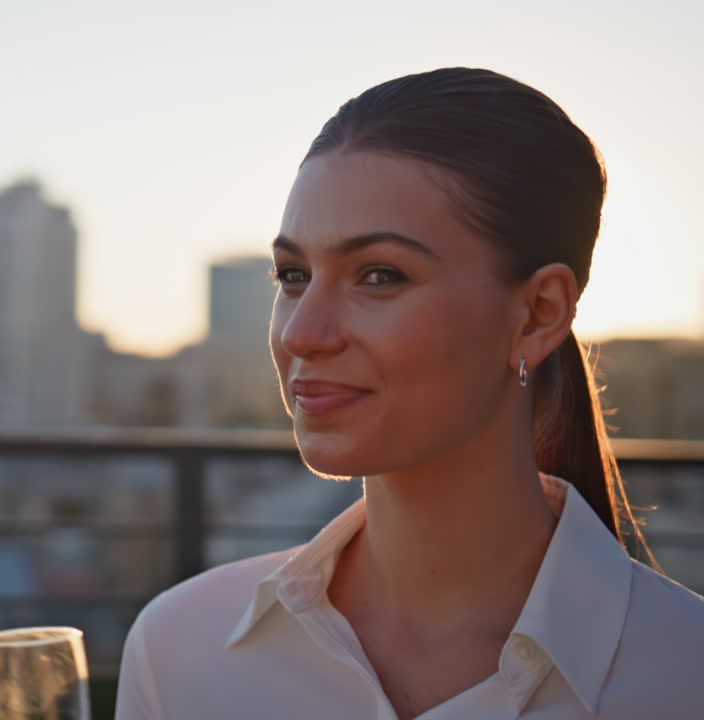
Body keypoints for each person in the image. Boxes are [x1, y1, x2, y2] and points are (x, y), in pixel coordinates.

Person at [115, 67, 704, 719]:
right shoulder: (180, 651)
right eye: (293, 276)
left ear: (539, 312)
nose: (303, 332)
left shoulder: (683, 674)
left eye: (378, 275)